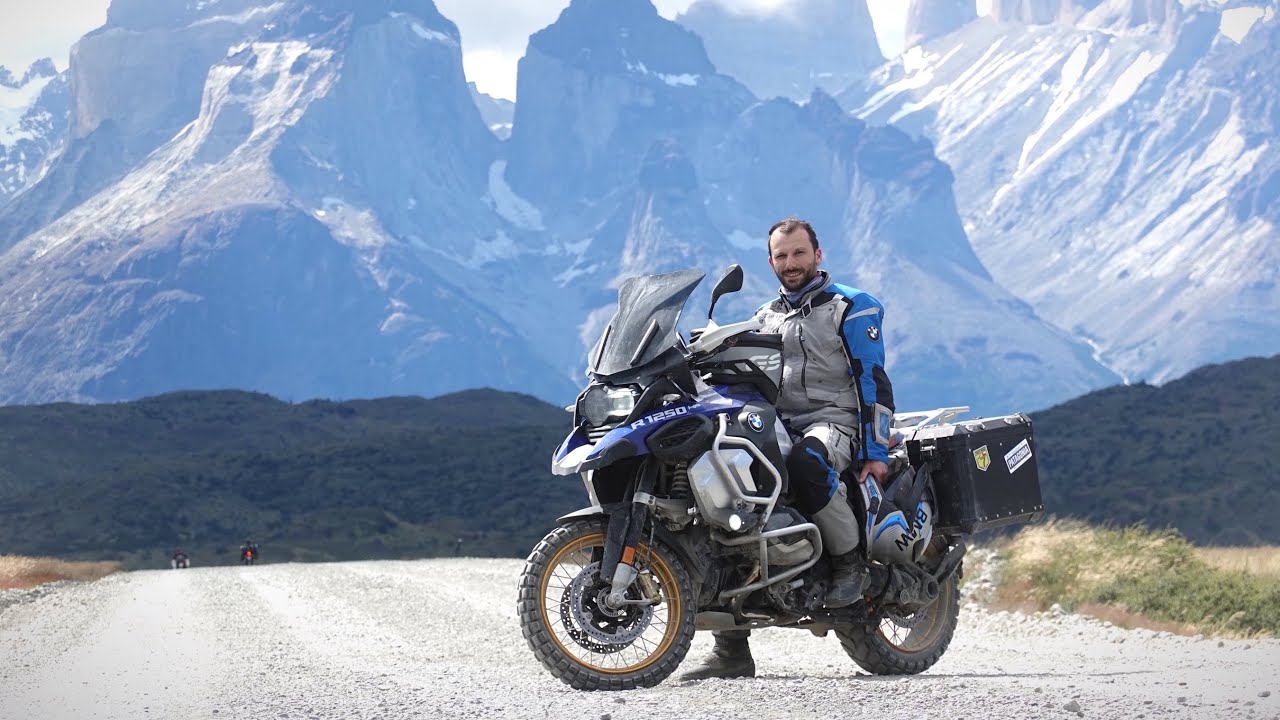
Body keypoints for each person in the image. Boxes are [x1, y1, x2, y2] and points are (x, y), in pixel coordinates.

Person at [682, 217, 895, 681]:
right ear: (771, 262)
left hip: (834, 422)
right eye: (781, 256)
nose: (790, 263)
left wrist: (876, 451)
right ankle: (731, 649)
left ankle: (849, 564)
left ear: (818, 256)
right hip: (779, 425)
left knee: (806, 462)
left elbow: (873, 381)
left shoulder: (852, 307)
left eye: (799, 253)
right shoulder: (765, 317)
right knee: (729, 489)